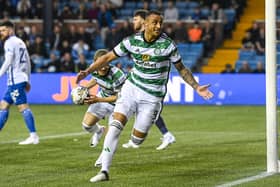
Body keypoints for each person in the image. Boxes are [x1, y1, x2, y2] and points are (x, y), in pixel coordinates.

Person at [76, 10, 213, 182]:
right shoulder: (131, 41)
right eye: (155, 22)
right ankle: (104, 171)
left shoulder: (167, 45)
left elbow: (182, 69)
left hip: (152, 97)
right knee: (116, 124)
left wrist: (197, 87)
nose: (158, 26)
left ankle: (135, 130)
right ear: (146, 24)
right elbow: (108, 57)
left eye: (160, 23)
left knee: (137, 139)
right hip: (131, 88)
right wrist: (88, 71)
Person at [122, 9, 176, 150]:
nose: (133, 22)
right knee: (139, 108)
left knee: (145, 109)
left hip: (152, 82)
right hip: (139, 79)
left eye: (135, 19)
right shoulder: (136, 38)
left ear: (142, 21)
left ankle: (166, 134)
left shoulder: (154, 37)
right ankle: (138, 139)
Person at [0, 21, 39, 145]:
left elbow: (8, 61)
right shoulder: (20, 42)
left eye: (3, 30)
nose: (1, 33)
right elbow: (27, 61)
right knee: (4, 105)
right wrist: (27, 79)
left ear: (11, 30)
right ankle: (33, 136)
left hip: (15, 80)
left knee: (22, 107)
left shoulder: (9, 42)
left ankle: (33, 136)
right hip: (19, 78)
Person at [79, 49, 127, 148]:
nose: (104, 67)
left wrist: (98, 100)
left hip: (118, 105)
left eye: (107, 63)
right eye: (101, 64)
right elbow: (96, 79)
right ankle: (99, 130)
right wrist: (84, 88)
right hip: (102, 97)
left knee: (110, 138)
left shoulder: (117, 75)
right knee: (86, 126)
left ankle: (103, 161)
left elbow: (118, 97)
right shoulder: (92, 69)